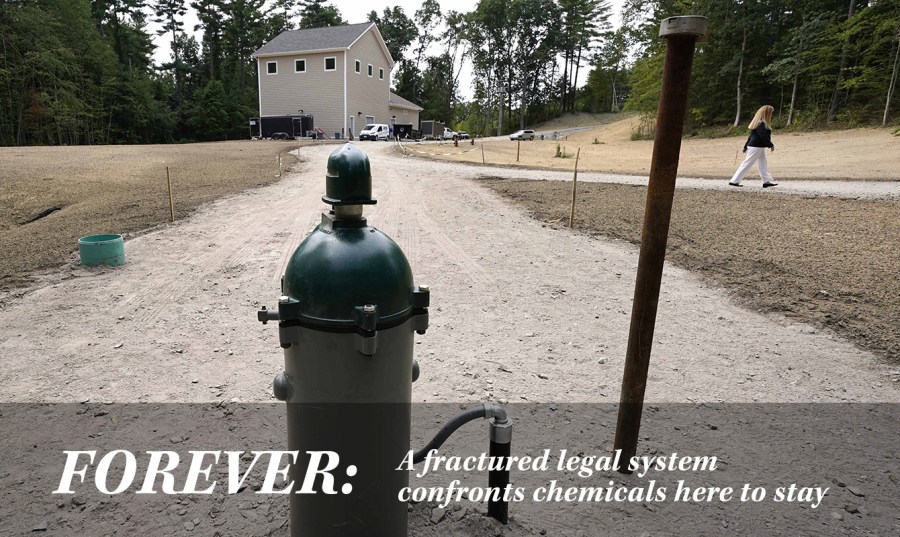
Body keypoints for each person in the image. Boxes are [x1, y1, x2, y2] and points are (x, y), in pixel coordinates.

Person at [729, 105, 778, 188]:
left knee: (763, 163)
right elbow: (762, 136)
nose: (771, 115)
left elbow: (751, 136)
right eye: (770, 113)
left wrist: (745, 146)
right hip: (756, 147)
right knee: (747, 163)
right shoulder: (761, 124)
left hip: (757, 147)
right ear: (767, 113)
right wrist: (770, 145)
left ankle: (766, 181)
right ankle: (734, 181)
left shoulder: (759, 123)